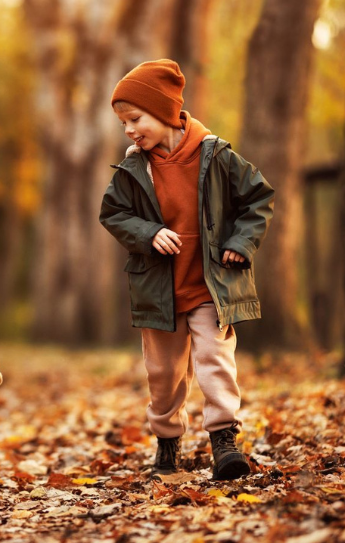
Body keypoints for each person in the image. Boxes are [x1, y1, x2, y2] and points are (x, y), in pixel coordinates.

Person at [99, 59, 274, 481]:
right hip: (159, 290)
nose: (128, 130)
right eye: (123, 122)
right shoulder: (133, 168)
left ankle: (224, 440)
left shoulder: (218, 156)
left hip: (210, 286)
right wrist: (148, 233)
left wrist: (240, 243)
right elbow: (113, 213)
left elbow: (258, 200)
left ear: (165, 113)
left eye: (135, 119)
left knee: (215, 359)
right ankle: (167, 440)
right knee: (164, 375)